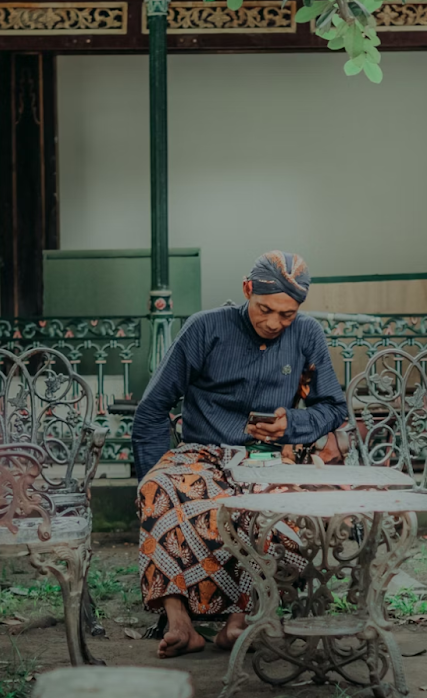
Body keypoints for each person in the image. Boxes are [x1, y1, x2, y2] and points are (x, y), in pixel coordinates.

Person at [133, 250, 349, 657]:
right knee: (159, 489)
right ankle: (180, 624)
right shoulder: (204, 328)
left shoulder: (306, 335)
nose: (273, 323)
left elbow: (334, 409)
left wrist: (292, 427)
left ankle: (240, 622)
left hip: (270, 458)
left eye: (286, 315)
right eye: (265, 309)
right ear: (247, 290)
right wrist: (154, 471)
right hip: (201, 454)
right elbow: (151, 408)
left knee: (283, 510)